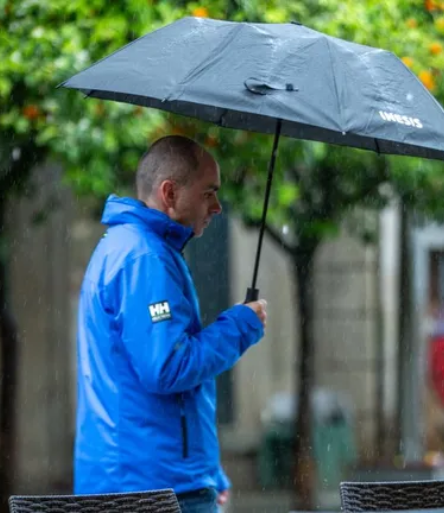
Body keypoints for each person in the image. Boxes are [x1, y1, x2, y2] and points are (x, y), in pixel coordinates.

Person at [74, 135, 267, 513]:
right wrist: (241, 324)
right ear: (169, 193)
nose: (217, 207)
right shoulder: (145, 258)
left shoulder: (132, 247)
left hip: (141, 480)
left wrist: (207, 471)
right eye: (209, 193)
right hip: (152, 489)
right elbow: (168, 367)